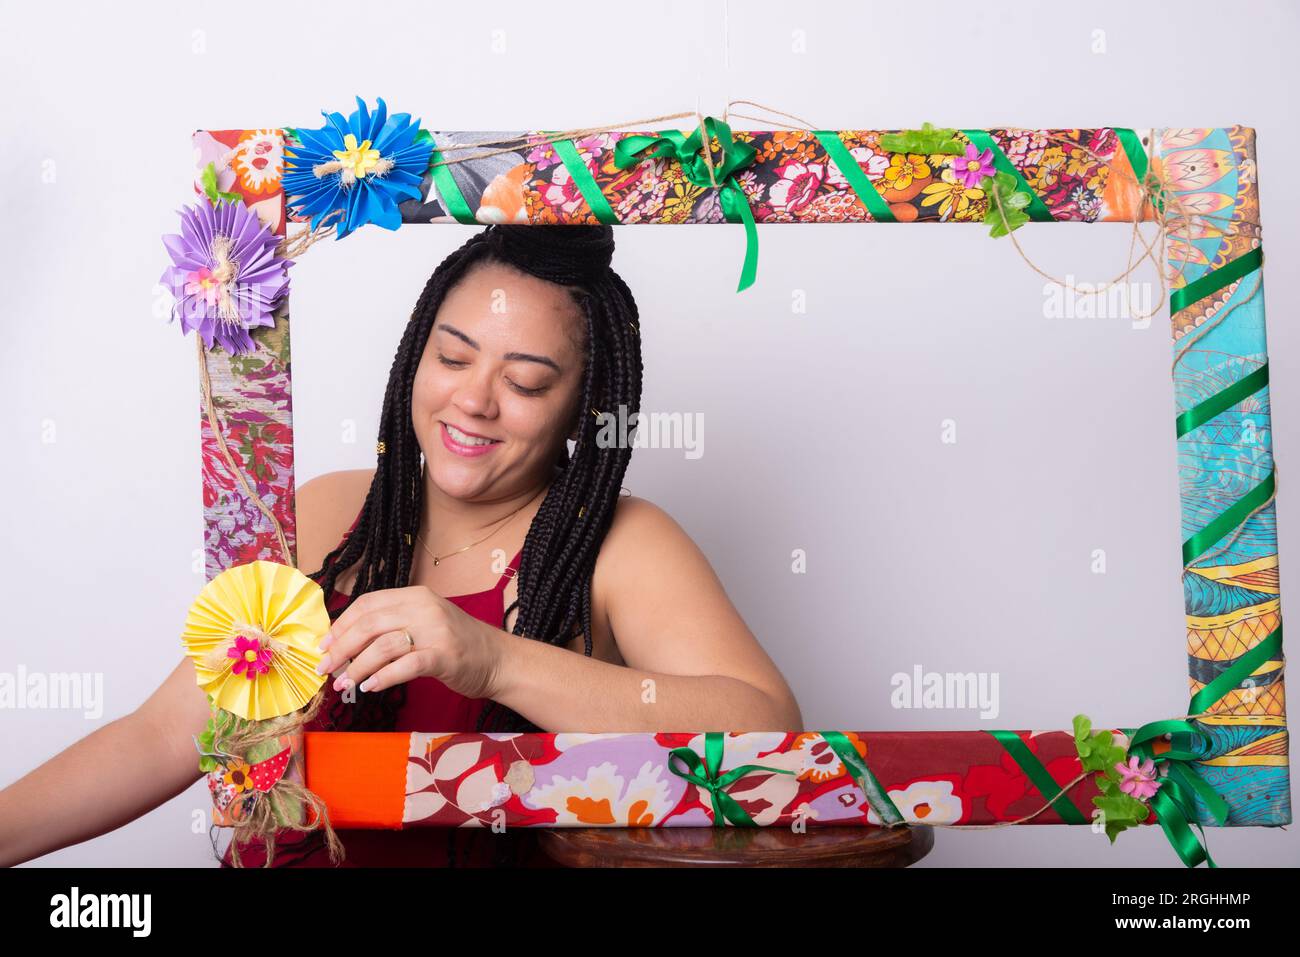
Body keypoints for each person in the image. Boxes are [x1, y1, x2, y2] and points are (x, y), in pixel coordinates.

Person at [0, 223, 803, 868]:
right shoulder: (323, 514)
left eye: (525, 383)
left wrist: (492, 659)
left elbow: (770, 734)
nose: (474, 400)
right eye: (452, 357)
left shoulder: (622, 542)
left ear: (582, 406)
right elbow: (163, 735)